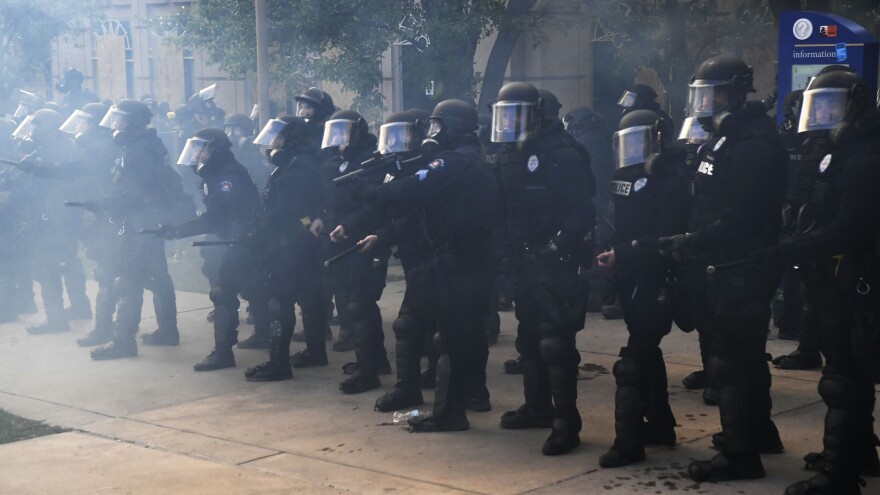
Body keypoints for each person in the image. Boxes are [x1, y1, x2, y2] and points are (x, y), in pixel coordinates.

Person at [660, 55, 787, 482]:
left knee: (729, 361)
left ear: (735, 92)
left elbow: (741, 216)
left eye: (712, 94)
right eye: (701, 95)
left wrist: (692, 241)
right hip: (729, 262)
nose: (705, 103)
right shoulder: (727, 139)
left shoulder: (751, 144)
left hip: (742, 265)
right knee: (747, 357)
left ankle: (740, 454)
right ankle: (758, 432)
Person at [357, 99, 495, 431]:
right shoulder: (469, 159)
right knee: (458, 335)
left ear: (451, 128)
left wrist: (373, 191)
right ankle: (462, 402)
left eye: (437, 127)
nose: (432, 134)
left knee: (451, 337)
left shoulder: (453, 163)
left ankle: (450, 413)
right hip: (469, 260)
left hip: (456, 262)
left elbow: (413, 189)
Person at [782, 70, 880, 495]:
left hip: (854, 278)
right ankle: (858, 454)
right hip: (832, 275)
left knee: (841, 376)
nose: (819, 114)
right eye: (815, 105)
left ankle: (840, 476)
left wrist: (794, 250)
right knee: (850, 373)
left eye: (829, 105)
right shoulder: (833, 151)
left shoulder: (864, 157)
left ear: (854, 106)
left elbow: (850, 227)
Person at [491, 82, 595, 455]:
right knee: (530, 340)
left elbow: (583, 210)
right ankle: (537, 408)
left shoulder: (562, 153)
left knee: (556, 344)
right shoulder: (509, 154)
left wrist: (556, 247)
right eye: (503, 115)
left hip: (556, 262)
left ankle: (567, 424)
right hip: (523, 262)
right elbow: (503, 209)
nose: (507, 123)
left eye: (515, 114)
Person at [595, 109, 691, 467]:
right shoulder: (624, 177)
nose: (633, 149)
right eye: (628, 142)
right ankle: (662, 425)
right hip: (632, 274)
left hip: (660, 274)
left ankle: (629, 443)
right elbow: (623, 225)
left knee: (633, 359)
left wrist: (625, 251)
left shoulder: (673, 181)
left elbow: (666, 236)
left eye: (640, 141)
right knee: (647, 348)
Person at [155, 128, 268, 371]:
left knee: (223, 292)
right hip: (236, 241)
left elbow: (219, 219)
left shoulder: (227, 177)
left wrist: (179, 230)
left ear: (215, 149)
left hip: (240, 242)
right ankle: (262, 334)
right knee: (252, 287)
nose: (197, 154)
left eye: (201, 148)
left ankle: (223, 353)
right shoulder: (217, 173)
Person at [87, 99, 180, 360]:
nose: (115, 123)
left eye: (119, 118)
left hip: (140, 224)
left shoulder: (138, 151)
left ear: (133, 122)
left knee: (126, 280)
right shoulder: (149, 144)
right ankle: (168, 331)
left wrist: (103, 204)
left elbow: (135, 194)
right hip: (151, 223)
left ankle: (122, 342)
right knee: (159, 278)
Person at [243, 116, 325, 382]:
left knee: (279, 303)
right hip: (296, 240)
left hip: (287, 244)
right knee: (308, 297)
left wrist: (258, 233)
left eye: (278, 137)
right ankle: (315, 352)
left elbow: (288, 212)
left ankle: (278, 364)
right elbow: (302, 213)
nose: (272, 142)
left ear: (291, 139)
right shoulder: (297, 164)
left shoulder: (296, 169)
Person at [319, 109, 391, 394]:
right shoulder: (336, 161)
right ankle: (376, 360)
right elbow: (327, 199)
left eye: (343, 130)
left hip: (366, 237)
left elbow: (374, 204)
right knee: (356, 301)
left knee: (360, 303)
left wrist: (348, 225)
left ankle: (368, 371)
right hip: (343, 237)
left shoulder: (371, 162)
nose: (337, 137)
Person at [12, 108, 92, 334]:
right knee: (68, 260)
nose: (33, 129)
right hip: (62, 214)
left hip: (54, 215)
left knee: (46, 266)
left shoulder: (59, 147)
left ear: (47, 126)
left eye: (37, 124)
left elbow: (60, 177)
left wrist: (34, 168)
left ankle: (56, 319)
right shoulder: (57, 145)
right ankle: (80, 306)